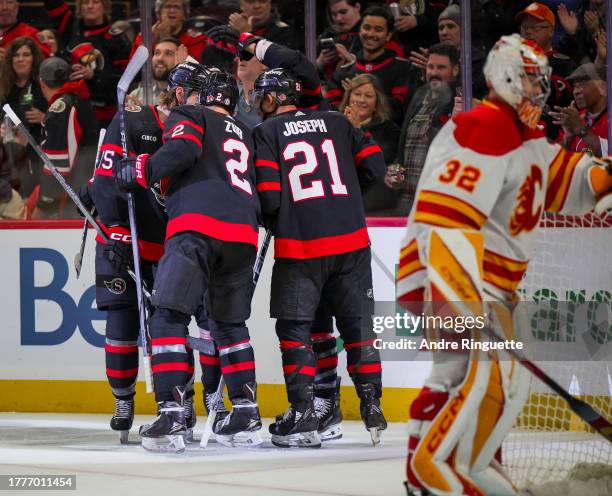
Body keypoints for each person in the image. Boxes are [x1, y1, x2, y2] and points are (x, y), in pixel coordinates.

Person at [398, 34, 612, 496]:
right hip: (449, 273)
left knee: (470, 377)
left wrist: (602, 179)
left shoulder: (527, 137)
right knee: (489, 373)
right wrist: (458, 298)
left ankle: (470, 468)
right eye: (533, 79)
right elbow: (447, 219)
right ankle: (429, 470)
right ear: (507, 76)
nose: (541, 90)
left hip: (485, 284)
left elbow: (563, 177)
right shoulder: (484, 125)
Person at [114, 68, 262, 453]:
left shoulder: (192, 116)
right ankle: (246, 411)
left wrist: (141, 169)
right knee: (230, 324)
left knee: (168, 315)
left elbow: (182, 151)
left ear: (201, 95)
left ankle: (173, 414)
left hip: (196, 227)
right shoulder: (246, 133)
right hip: (244, 233)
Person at [80, 60, 228, 443]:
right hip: (127, 238)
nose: (207, 103)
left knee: (191, 323)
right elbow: (106, 174)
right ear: (181, 92)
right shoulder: (137, 117)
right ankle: (124, 399)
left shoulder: (207, 126)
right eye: (199, 95)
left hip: (183, 242)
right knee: (123, 322)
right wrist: (114, 226)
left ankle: (197, 401)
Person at [252, 67, 388, 448]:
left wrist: (272, 217)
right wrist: (343, 198)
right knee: (357, 326)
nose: (259, 103)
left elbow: (269, 198)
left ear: (276, 97)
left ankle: (304, 412)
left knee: (295, 330)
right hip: (351, 243)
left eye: (263, 96)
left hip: (302, 248)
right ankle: (372, 405)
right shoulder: (337, 121)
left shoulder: (265, 133)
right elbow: (375, 167)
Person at [386, 43, 459, 216]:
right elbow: (405, 142)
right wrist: (395, 170)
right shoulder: (418, 96)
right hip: (407, 201)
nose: (434, 73)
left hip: (439, 201)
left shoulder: (461, 103)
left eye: (441, 67)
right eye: (430, 67)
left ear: (455, 70)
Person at [42, 0, 132, 128]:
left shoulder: (117, 38)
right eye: (85, 2)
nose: (90, 6)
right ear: (79, 7)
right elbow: (53, 5)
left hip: (105, 115)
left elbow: (125, 80)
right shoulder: (69, 28)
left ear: (104, 6)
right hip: (70, 109)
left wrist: (94, 76)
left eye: (95, 2)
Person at [32, 56, 98, 219]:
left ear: (42, 82)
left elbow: (58, 165)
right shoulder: (80, 99)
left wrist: (45, 204)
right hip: (89, 191)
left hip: (72, 199)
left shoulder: (59, 110)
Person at [326, 4, 414, 123]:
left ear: (388, 35)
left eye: (378, 29)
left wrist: (361, 91)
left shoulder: (402, 69)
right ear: (359, 30)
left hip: (386, 137)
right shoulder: (344, 70)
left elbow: (400, 110)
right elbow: (330, 110)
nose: (371, 34)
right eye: (366, 28)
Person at [339, 72, 400, 214]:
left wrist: (357, 129)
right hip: (343, 203)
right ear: (348, 98)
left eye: (368, 96)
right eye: (357, 94)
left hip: (376, 205)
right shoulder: (334, 126)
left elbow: (378, 167)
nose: (361, 100)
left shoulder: (390, 130)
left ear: (377, 102)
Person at [517, 2, 575, 139]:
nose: (528, 31)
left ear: (551, 31)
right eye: (524, 27)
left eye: (535, 27)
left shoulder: (564, 65)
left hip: (553, 142)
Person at [0, 37, 47, 197]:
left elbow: (60, 120)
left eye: (26, 55)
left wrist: (44, 118)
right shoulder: (4, 86)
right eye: (17, 55)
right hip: (7, 156)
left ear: (34, 59)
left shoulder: (43, 86)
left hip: (35, 157)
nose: (21, 59)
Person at [551, 62, 608, 156]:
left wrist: (580, 129)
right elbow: (556, 159)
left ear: (603, 87)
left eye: (583, 83)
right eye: (575, 86)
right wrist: (568, 138)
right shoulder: (575, 118)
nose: (576, 91)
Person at [131, 0, 208, 61]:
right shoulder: (145, 36)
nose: (172, 10)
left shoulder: (196, 39)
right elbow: (134, 66)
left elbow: (192, 67)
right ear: (159, 13)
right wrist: (151, 42)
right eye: (167, 6)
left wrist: (166, 40)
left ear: (184, 15)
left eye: (177, 7)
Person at [128, 37, 182, 106]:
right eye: (157, 53)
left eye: (168, 54)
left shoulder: (188, 96)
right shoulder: (136, 95)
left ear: (180, 59)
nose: (160, 58)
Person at [229, 0, 299, 51]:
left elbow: (276, 60)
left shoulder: (284, 31)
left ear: (270, 3)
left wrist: (246, 34)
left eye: (263, 1)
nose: (257, 6)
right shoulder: (231, 30)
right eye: (250, 1)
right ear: (241, 5)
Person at [0, 0, 51, 65]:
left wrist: (11, 60)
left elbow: (48, 63)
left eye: (9, 2)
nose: (4, 7)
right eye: (0, 2)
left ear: (17, 7)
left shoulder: (32, 34)